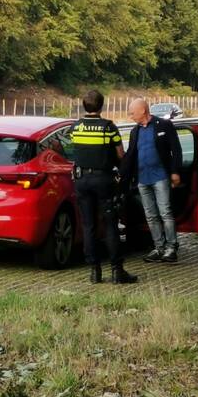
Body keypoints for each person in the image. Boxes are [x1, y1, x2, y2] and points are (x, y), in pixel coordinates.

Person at [69, 89, 138, 285]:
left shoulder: (76, 127)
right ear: (101, 106)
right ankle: (117, 270)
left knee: (89, 225)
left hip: (82, 181)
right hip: (103, 181)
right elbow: (120, 154)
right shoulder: (108, 127)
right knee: (110, 225)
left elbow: (75, 150)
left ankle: (94, 271)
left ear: (84, 106)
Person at [121, 98, 184, 263]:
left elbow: (176, 149)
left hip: (161, 176)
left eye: (132, 113)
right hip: (143, 179)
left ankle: (171, 247)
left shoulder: (164, 125)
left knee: (165, 212)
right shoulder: (135, 132)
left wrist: (175, 171)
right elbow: (130, 155)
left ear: (143, 110)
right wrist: (121, 174)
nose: (130, 116)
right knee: (150, 215)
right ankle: (159, 247)